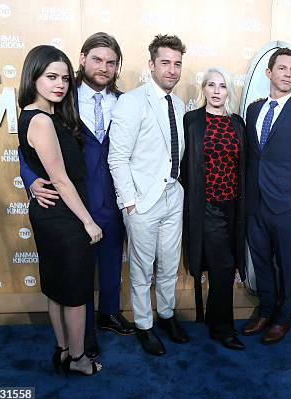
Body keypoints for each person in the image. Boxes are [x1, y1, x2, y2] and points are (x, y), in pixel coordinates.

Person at [19, 33, 134, 359]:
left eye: (111, 62)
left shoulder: (126, 102)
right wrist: (29, 178)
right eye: (97, 59)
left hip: (113, 198)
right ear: (82, 59)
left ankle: (109, 313)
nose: (104, 67)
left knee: (112, 261)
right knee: (77, 272)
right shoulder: (62, 100)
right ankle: (82, 339)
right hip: (74, 201)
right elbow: (27, 148)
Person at [17, 45, 103, 375]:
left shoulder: (34, 114)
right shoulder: (41, 120)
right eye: (51, 76)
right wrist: (89, 222)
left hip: (50, 214)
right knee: (76, 293)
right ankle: (80, 360)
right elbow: (62, 180)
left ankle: (65, 351)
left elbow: (36, 164)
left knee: (56, 288)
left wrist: (32, 180)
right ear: (33, 76)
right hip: (64, 217)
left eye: (65, 78)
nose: (60, 84)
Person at [108, 34, 189, 356]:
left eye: (177, 64)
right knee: (142, 269)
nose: (171, 70)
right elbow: (117, 158)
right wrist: (129, 202)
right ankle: (144, 324)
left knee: (169, 264)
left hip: (173, 196)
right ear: (151, 65)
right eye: (165, 63)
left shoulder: (180, 104)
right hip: (142, 201)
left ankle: (166, 315)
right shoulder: (131, 102)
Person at [241, 48, 291, 344]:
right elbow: (252, 158)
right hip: (255, 204)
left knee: (288, 265)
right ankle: (264, 311)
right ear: (269, 73)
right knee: (261, 262)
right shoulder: (253, 110)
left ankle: (283, 317)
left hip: (286, 208)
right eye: (283, 68)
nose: (288, 74)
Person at [182, 67, 247, 351]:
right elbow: (183, 165)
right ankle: (223, 328)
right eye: (211, 85)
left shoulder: (237, 123)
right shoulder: (192, 121)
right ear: (204, 90)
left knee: (228, 265)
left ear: (228, 91)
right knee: (221, 267)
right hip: (207, 206)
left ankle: (212, 317)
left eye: (222, 85)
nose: (217, 90)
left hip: (234, 207)